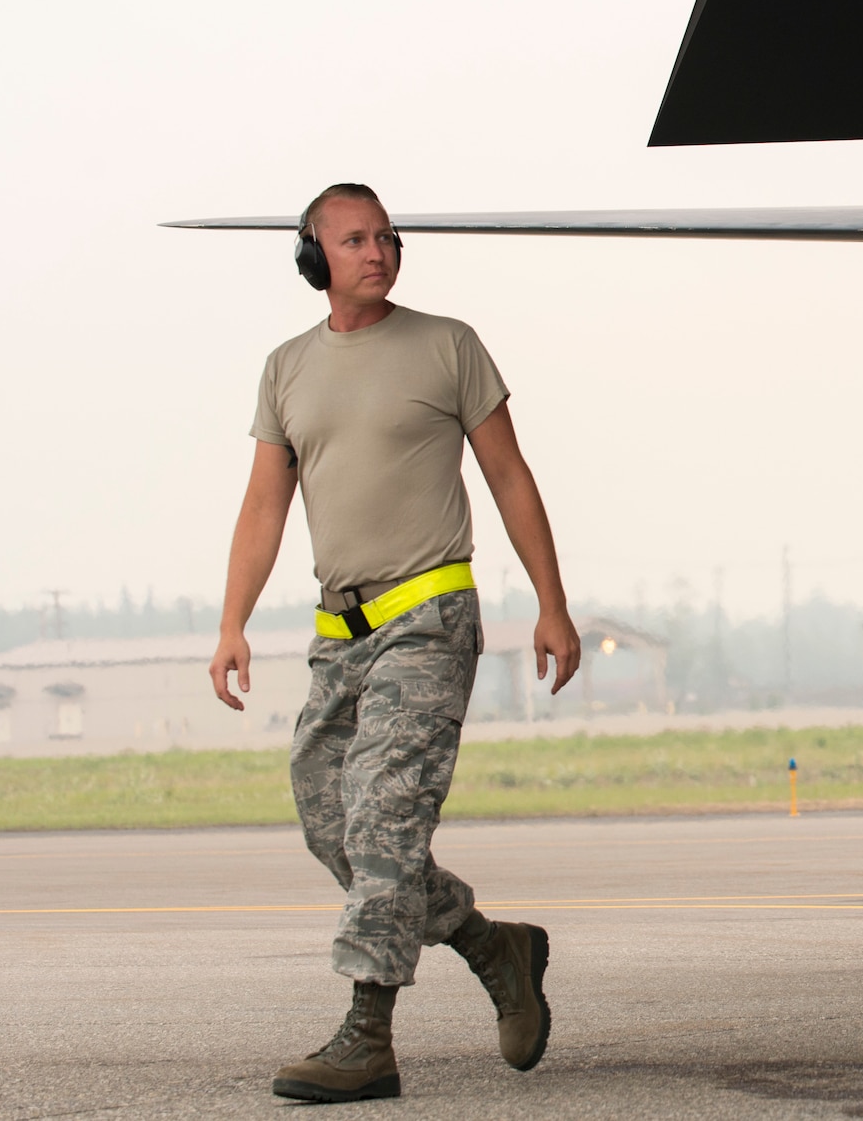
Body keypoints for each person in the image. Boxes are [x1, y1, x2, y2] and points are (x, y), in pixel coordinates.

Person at [207, 182, 582, 1103]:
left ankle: (366, 1033)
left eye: (387, 237)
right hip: (340, 629)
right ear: (315, 258)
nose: (377, 252)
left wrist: (552, 603)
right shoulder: (286, 366)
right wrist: (232, 622)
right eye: (355, 240)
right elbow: (266, 504)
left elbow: (508, 474)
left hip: (430, 617)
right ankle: (494, 946)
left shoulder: (447, 344)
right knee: (330, 815)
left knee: (385, 818)